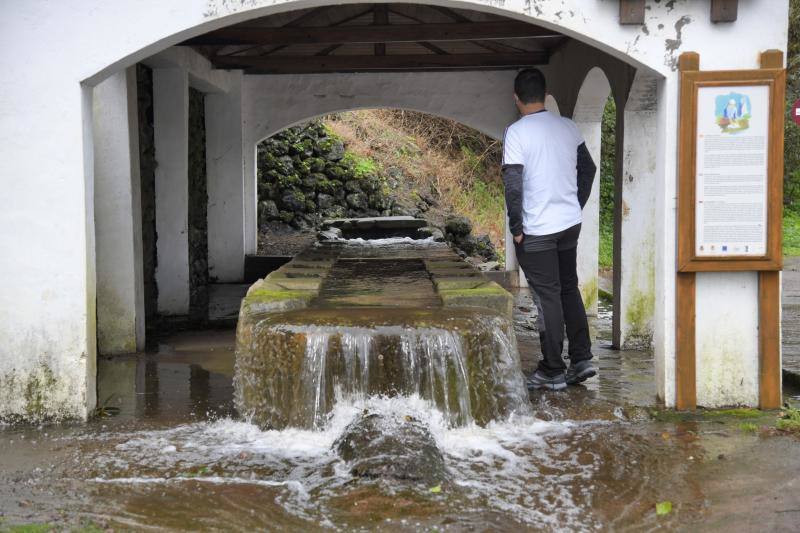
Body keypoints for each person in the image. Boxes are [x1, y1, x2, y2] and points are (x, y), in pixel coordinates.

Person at [502, 68, 597, 391]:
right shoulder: (567, 127)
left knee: (548, 297)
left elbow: (513, 184)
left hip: (537, 229)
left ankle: (553, 369)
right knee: (568, 287)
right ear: (544, 94)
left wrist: (516, 227)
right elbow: (588, 168)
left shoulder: (516, 133)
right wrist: (574, 204)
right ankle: (582, 358)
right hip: (569, 225)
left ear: (516, 98)